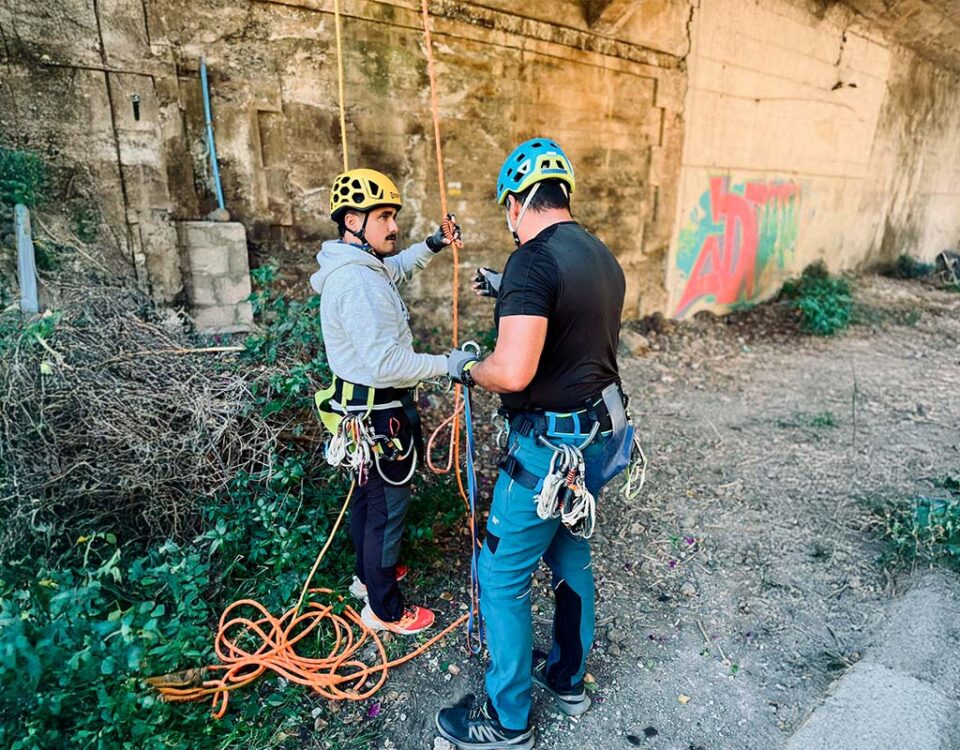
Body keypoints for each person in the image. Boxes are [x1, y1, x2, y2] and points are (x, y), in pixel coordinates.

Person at [437, 139, 630, 749]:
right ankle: (568, 678)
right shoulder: (599, 256)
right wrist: (507, 289)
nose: (511, 225)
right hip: (597, 439)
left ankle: (507, 720)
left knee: (499, 573)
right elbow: (569, 321)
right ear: (563, 195)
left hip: (548, 451)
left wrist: (464, 369)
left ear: (518, 202)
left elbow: (513, 372)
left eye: (508, 212)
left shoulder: (532, 261)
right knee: (571, 556)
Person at [310, 167, 459, 636]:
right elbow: (386, 363)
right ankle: (385, 610)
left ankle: (367, 577)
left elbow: (399, 266)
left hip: (365, 410)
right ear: (353, 220)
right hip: (377, 415)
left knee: (369, 499)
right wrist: (449, 365)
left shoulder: (365, 267)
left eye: (393, 215)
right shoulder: (357, 283)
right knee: (386, 507)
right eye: (383, 217)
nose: (394, 226)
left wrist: (433, 243)